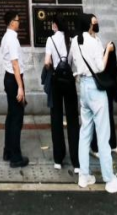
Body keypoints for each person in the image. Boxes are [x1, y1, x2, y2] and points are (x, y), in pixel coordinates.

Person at [70, 13, 117, 193]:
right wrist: (108, 51)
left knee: (85, 132)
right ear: (88, 24)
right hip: (96, 88)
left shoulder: (74, 41)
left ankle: (84, 176)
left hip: (83, 87)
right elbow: (101, 67)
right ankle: (109, 179)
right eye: (93, 22)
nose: (96, 24)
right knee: (103, 135)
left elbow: (72, 63)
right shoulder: (93, 42)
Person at [44, 13, 80, 172]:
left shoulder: (50, 40)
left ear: (55, 25)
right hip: (69, 82)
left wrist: (50, 67)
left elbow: (47, 62)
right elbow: (74, 62)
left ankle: (58, 159)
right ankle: (76, 162)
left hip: (56, 82)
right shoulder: (71, 40)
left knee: (56, 118)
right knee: (73, 120)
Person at [1, 10, 28, 168]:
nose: (19, 22)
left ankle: (8, 151)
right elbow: (15, 64)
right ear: (12, 22)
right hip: (14, 79)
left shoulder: (7, 37)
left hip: (9, 78)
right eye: (17, 20)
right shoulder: (11, 39)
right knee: (17, 118)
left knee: (11, 116)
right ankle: (16, 157)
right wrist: (20, 87)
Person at [90, 42, 117, 158]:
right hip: (100, 85)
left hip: (107, 86)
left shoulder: (99, 43)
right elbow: (101, 67)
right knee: (100, 118)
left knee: (108, 116)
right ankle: (95, 147)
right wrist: (107, 50)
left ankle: (111, 144)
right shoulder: (96, 47)